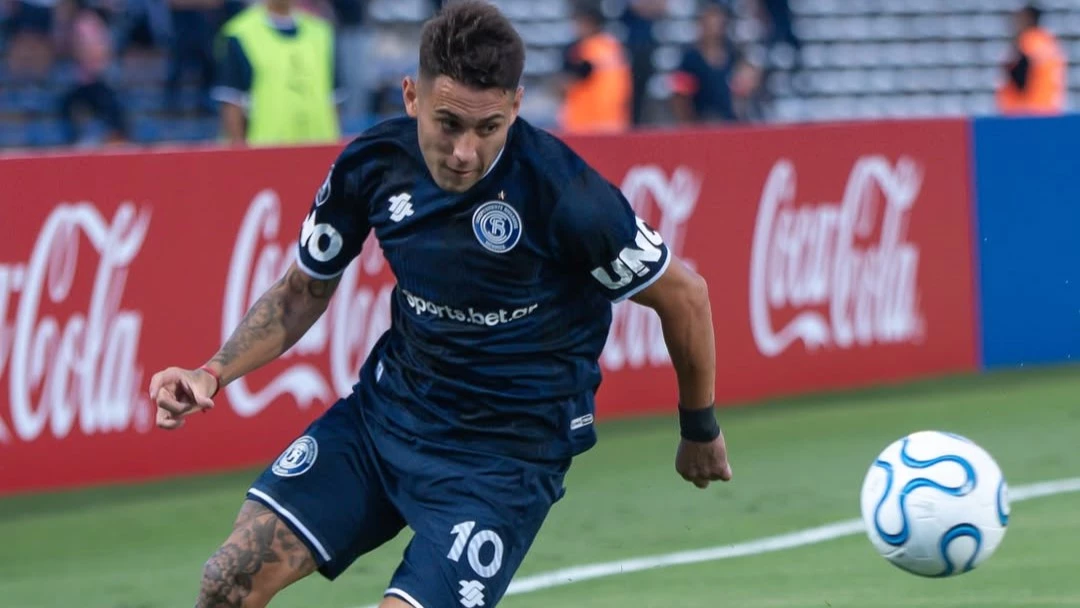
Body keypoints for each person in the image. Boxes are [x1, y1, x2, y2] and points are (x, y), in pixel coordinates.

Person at [149, 2, 732, 607]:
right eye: (448, 123)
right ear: (411, 97)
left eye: (488, 129)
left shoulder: (566, 194)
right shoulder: (373, 166)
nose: (464, 153)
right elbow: (303, 290)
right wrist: (211, 372)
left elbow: (685, 297)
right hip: (385, 420)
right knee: (228, 580)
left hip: (503, 461)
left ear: (515, 106)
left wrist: (699, 428)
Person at [996, 2, 1066, 116]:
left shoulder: (1027, 42)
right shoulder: (1050, 42)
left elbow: (1019, 75)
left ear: (1029, 18)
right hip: (1048, 110)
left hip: (1024, 112)